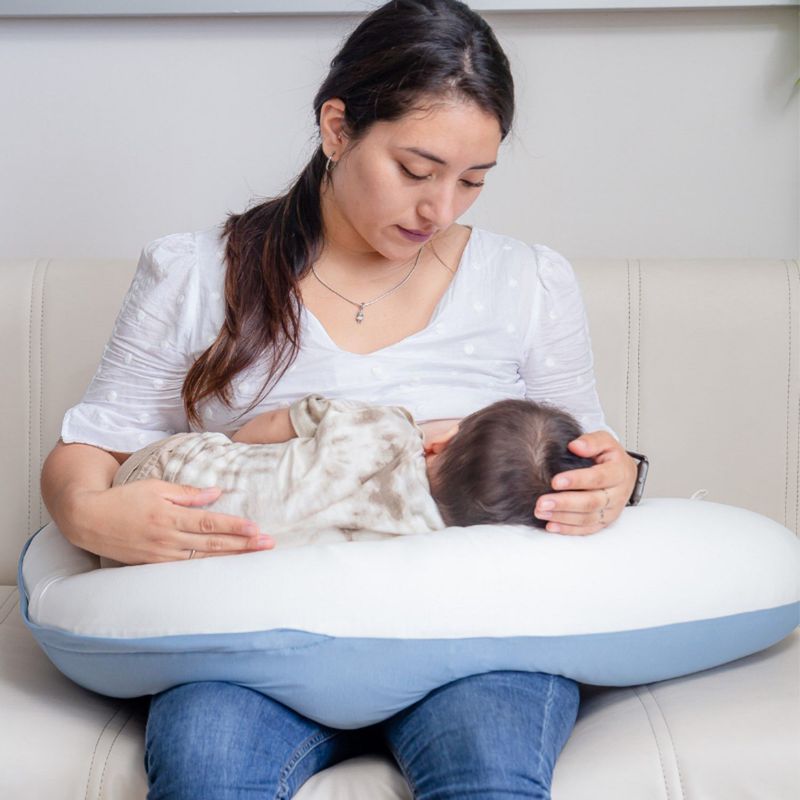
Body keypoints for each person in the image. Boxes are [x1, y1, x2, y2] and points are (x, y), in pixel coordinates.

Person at [41, 0, 638, 796]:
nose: (441, 210)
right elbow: (94, 445)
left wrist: (617, 477)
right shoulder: (195, 273)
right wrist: (89, 512)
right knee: (209, 773)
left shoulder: (528, 283)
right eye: (417, 171)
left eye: (472, 181)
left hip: (468, 646)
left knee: (491, 776)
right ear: (336, 128)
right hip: (249, 648)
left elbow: (584, 447)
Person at [111, 395, 595, 549]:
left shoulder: (387, 427)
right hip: (190, 551)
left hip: (164, 474)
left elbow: (276, 424)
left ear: (439, 441)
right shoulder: (415, 539)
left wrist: (237, 446)